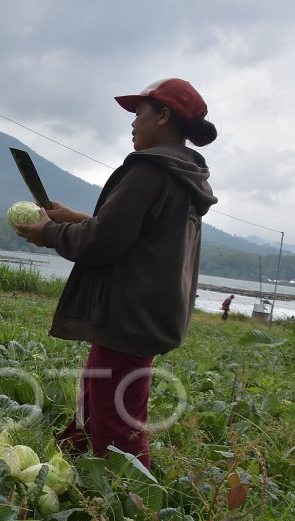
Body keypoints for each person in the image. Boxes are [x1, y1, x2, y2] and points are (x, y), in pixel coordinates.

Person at [15, 78, 218, 470]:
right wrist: (75, 218)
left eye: (140, 111)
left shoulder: (149, 170)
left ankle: (131, 506)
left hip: (127, 312)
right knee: (96, 396)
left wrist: (49, 234)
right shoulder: (182, 176)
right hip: (146, 314)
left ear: (163, 116)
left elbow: (104, 241)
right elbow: (136, 234)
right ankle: (67, 468)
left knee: (116, 424)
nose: (133, 121)